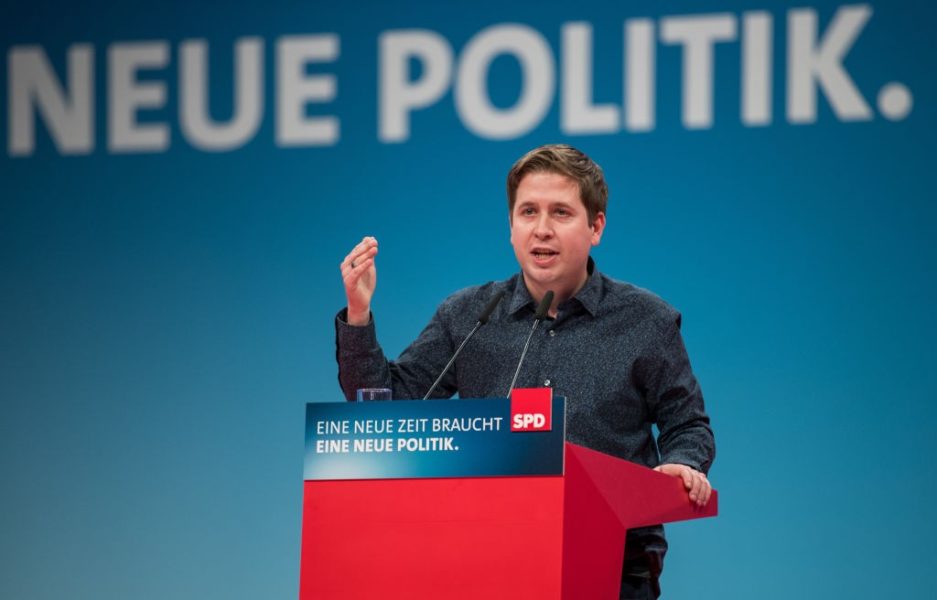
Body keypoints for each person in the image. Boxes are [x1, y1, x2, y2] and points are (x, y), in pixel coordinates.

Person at [335, 144, 715, 599]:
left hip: (613, 569)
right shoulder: (469, 316)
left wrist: (682, 462)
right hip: (486, 564)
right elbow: (385, 411)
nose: (542, 230)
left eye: (561, 213)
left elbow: (687, 423)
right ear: (510, 228)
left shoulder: (645, 321)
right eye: (528, 212)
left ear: (596, 226)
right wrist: (359, 314)